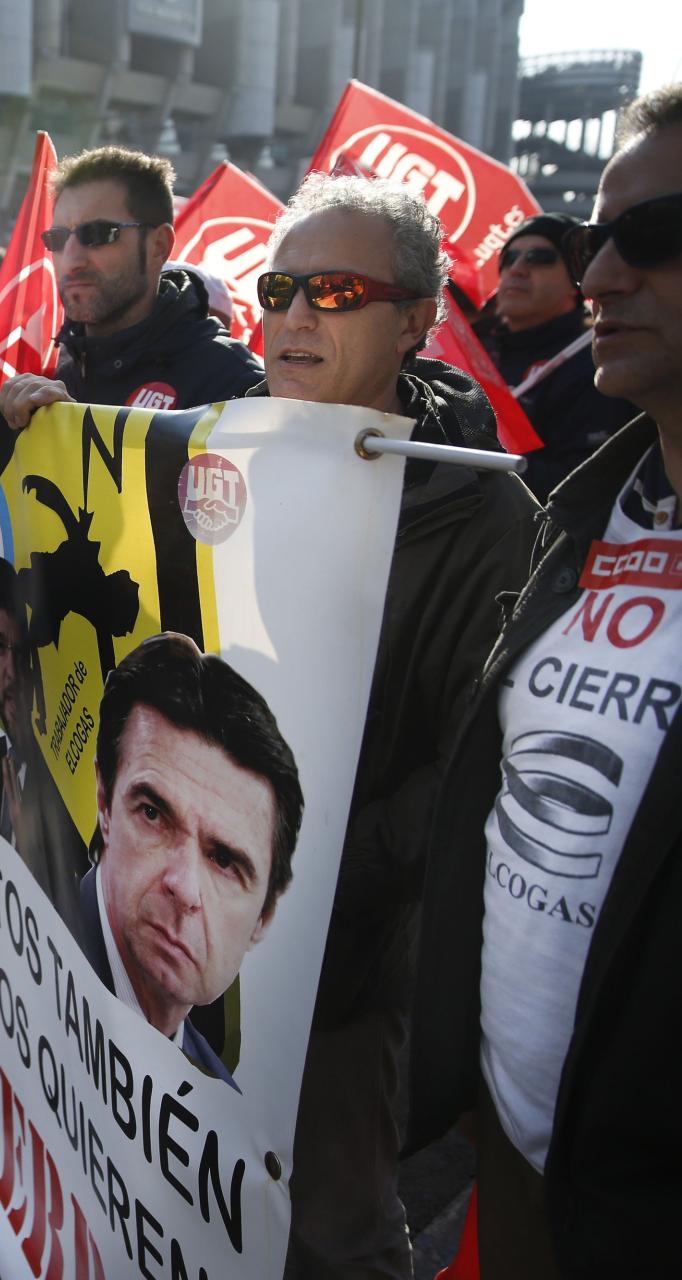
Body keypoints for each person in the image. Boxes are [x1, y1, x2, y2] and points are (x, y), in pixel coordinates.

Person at [408, 83, 682, 1278]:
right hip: (514, 1158)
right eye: (588, 240)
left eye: (656, 236)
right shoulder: (577, 516)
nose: (600, 278)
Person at [250, 172, 539, 1278]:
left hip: (343, 957)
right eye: (278, 288)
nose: (293, 316)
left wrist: (311, 878)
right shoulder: (202, 451)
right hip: (189, 921)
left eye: (332, 289)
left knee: (331, 1223)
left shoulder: (483, 509)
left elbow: (470, 759)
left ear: (417, 320)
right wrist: (33, 433)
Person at [81, 632, 303, 1089]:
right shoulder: (26, 946)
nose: (183, 887)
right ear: (104, 802)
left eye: (224, 860)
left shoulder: (222, 1102)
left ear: (263, 918)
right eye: (153, 814)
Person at [0, 145, 262, 429]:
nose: (72, 259)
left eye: (98, 234)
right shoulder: (49, 368)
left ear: (159, 245)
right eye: (58, 239)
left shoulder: (234, 385)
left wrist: (79, 435)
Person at [485, 212, 638, 500]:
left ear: (576, 279)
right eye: (508, 258)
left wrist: (476, 460)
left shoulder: (597, 359)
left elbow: (585, 482)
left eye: (539, 258)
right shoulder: (477, 349)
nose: (517, 269)